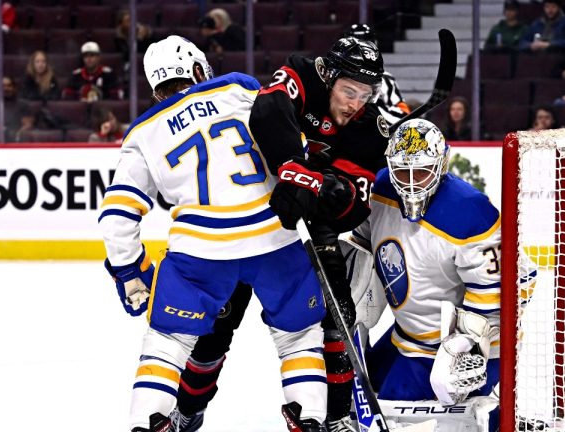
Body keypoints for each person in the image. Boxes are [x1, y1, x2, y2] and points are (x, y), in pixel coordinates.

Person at [98, 35, 328, 432]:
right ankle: (309, 419)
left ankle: (146, 422)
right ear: (200, 70)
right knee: (300, 339)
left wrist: (130, 271)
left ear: (156, 88)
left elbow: (116, 217)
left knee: (167, 343)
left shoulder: (143, 133)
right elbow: (288, 139)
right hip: (275, 234)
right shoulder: (239, 87)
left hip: (201, 251)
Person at [171, 36, 391, 432]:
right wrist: (295, 168)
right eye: (349, 91)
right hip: (250, 216)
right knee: (216, 325)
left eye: (365, 94)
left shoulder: (370, 128)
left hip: (308, 228)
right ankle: (188, 408)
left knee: (336, 318)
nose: (355, 103)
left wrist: (323, 191)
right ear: (329, 76)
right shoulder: (304, 74)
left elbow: (353, 205)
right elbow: (269, 109)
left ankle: (338, 414)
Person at [348, 119, 537, 431]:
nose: (409, 183)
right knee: (352, 392)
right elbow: (364, 247)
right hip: (410, 337)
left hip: (475, 350)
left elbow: (513, 283)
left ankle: (495, 415)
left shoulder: (469, 211)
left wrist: (468, 347)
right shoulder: (381, 189)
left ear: (441, 165)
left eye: (420, 171)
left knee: (404, 408)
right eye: (401, 171)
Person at [343, 23, 410, 120]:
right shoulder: (337, 76)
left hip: (378, 131)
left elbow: (404, 114)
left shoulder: (386, 79)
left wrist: (373, 112)